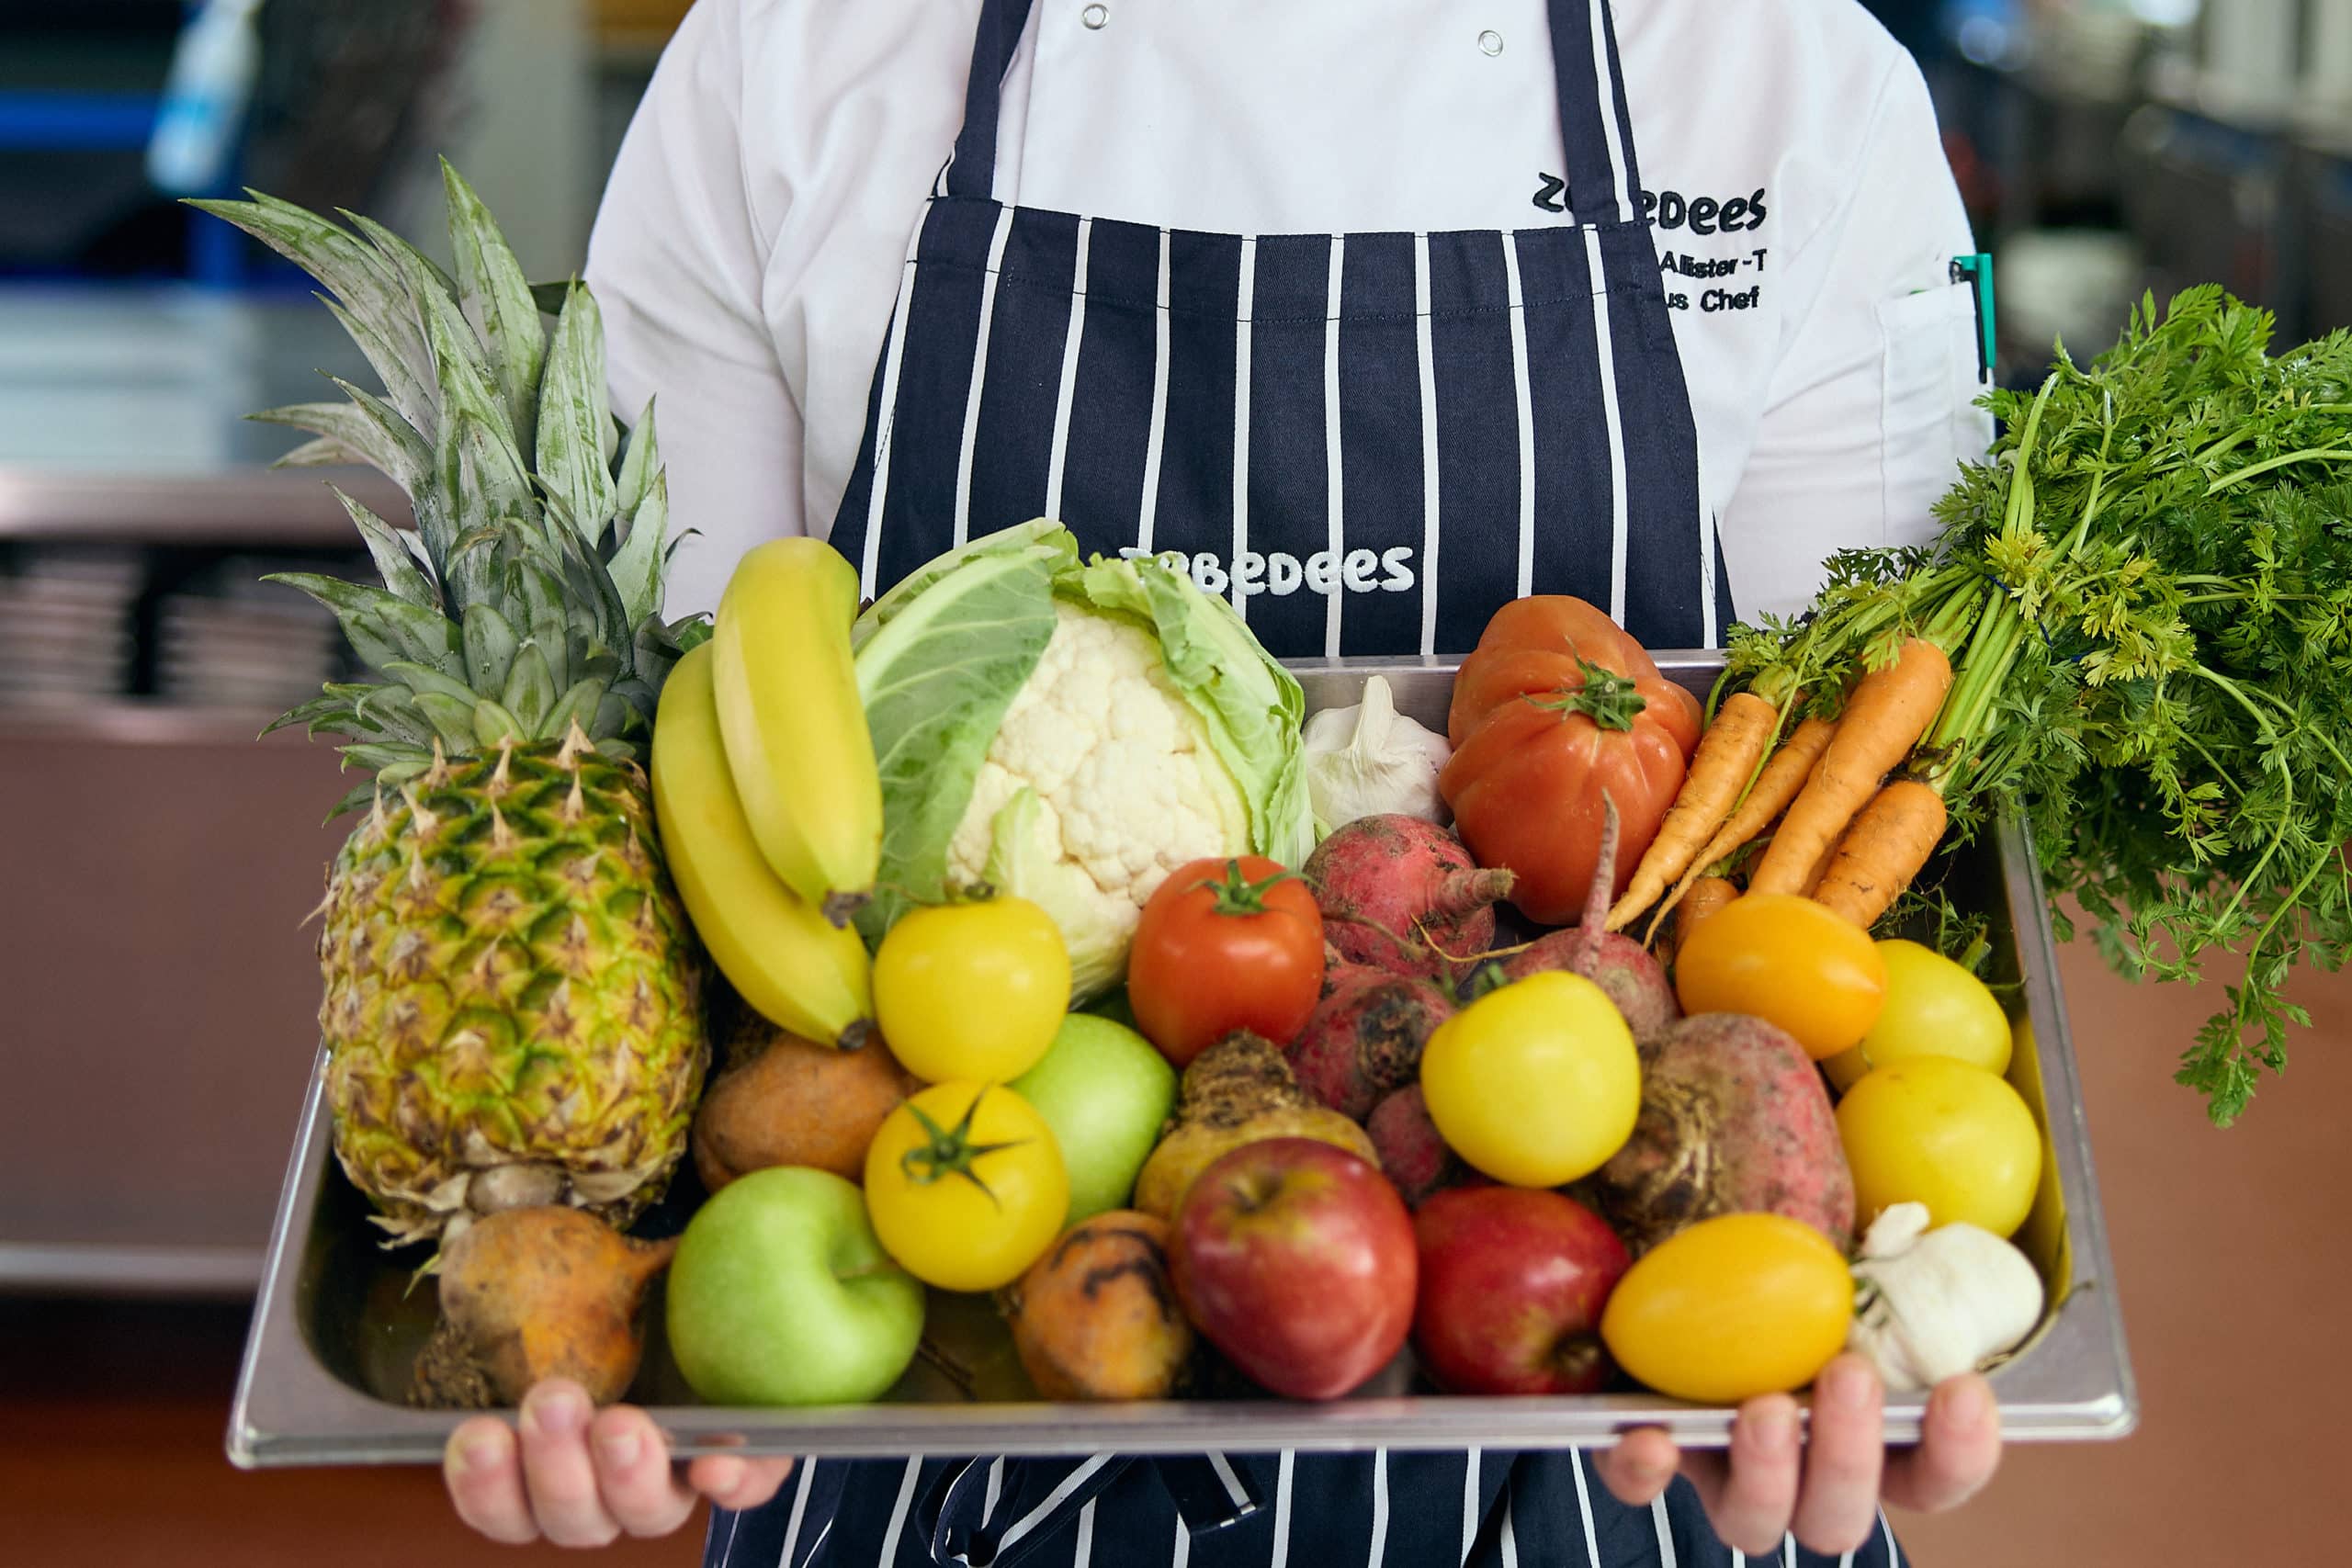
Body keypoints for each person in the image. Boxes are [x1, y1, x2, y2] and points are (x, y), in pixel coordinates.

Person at [444, 0, 2006, 1561]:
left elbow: (1851, 811)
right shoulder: (791, 58)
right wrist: (624, 1294)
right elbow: (684, 749)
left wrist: (1832, 1330)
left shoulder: (1784, 79)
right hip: (939, 1377)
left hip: (1634, 1427)